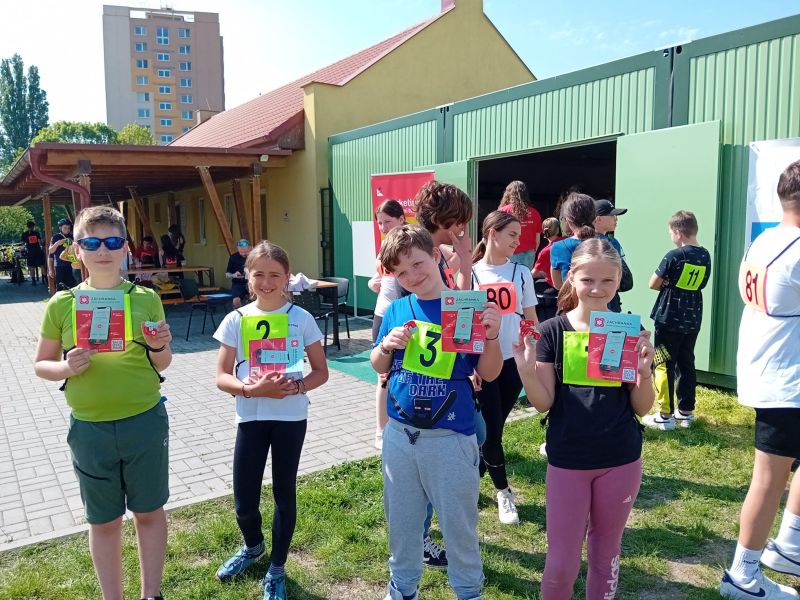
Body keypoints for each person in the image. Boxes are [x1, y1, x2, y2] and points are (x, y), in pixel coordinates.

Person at [33, 206, 173, 600]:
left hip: (144, 420)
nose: (103, 250)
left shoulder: (145, 298)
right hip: (90, 428)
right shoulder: (62, 303)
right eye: (92, 243)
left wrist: (158, 345)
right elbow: (41, 364)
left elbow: (163, 363)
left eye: (112, 242)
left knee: (149, 512)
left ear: (125, 247)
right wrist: (66, 367)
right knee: (104, 521)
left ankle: (152, 594)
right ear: (76, 250)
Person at [514, 237, 655, 600]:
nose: (597, 289)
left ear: (619, 279)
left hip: (620, 458)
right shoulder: (552, 331)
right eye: (588, 279)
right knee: (562, 563)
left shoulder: (626, 330)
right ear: (571, 278)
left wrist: (645, 372)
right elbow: (544, 403)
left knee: (605, 555)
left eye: (607, 280)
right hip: (569, 459)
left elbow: (642, 407)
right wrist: (527, 372)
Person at [372, 224, 502, 600]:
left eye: (417, 264)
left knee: (458, 525)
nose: (413, 276)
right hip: (401, 435)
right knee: (403, 523)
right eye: (401, 272)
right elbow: (378, 364)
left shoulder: (465, 307)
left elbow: (490, 371)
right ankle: (402, 588)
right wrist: (387, 346)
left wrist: (492, 336)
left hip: (450, 437)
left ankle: (468, 591)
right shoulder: (397, 309)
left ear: (435, 256)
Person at [213, 241, 329, 600]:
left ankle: (277, 567)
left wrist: (298, 386)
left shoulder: (301, 318)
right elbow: (221, 376)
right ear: (248, 277)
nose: (266, 282)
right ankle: (253, 547)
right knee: (244, 500)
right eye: (259, 274)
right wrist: (250, 390)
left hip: (290, 418)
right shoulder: (236, 319)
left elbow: (321, 372)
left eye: (274, 275)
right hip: (250, 416)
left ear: (287, 277)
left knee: (283, 493)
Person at [720, 159, 800, 600]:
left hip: (773, 368)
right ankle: (743, 574)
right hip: (786, 378)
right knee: (769, 478)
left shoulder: (766, 238)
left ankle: (789, 545)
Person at [470, 211, 538, 525]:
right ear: (492, 234)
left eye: (518, 235)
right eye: (512, 234)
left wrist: (534, 353)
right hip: (483, 362)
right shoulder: (471, 274)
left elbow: (531, 319)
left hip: (514, 362)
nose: (517, 241)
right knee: (492, 431)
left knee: (493, 429)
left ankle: (473, 476)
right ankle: (503, 492)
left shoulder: (521, 273)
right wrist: (468, 364)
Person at [643, 211, 711, 431]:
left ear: (678, 232)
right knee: (686, 362)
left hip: (669, 317)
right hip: (692, 317)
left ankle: (665, 415)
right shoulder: (705, 255)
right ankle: (686, 412)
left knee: (663, 362)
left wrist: (668, 282)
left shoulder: (674, 255)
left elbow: (653, 283)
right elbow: (702, 284)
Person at [367, 200, 406, 450]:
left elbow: (449, 258)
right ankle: (381, 431)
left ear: (402, 219)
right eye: (380, 223)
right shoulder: (384, 247)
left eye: (387, 222)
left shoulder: (411, 243)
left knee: (403, 374)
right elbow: (380, 278)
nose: (382, 227)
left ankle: (400, 423)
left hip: (406, 315)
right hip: (383, 316)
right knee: (383, 377)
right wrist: (373, 283)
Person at [415, 180, 474, 291]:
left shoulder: (435, 252)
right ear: (440, 221)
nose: (463, 228)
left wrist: (464, 256)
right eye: (461, 222)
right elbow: (457, 301)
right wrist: (465, 259)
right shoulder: (420, 259)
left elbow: (452, 295)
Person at [593, 199, 631, 312]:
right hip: (609, 300)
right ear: (598, 219)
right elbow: (620, 274)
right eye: (612, 215)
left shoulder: (579, 240)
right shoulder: (612, 243)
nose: (616, 219)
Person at [498, 180, 543, 269]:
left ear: (509, 194)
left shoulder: (503, 211)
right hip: (529, 253)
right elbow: (537, 240)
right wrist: (532, 251)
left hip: (508, 251)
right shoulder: (535, 213)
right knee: (524, 276)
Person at [532, 217, 565, 287]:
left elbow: (534, 273)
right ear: (558, 230)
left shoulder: (545, 251)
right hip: (568, 282)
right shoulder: (567, 240)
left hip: (554, 284)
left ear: (544, 231)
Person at [48, 218, 77, 290]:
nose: (67, 230)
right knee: (60, 287)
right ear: (60, 228)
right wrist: (57, 243)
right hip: (59, 265)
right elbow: (50, 252)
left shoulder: (72, 237)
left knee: (71, 286)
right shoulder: (56, 237)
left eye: (69, 228)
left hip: (71, 264)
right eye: (65, 228)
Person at [226, 239, 253, 309]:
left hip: (252, 282)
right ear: (238, 249)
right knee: (236, 301)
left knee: (256, 298)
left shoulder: (254, 256)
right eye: (241, 252)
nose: (243, 254)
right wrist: (233, 275)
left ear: (250, 248)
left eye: (245, 252)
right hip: (238, 283)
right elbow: (227, 274)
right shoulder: (233, 257)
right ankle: (239, 314)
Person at [21, 220, 45, 285]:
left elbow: (22, 244)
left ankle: (33, 281)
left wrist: (23, 249)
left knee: (32, 267)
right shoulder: (36, 233)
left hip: (30, 252)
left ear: (27, 226)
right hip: (38, 251)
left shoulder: (24, 234)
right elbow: (40, 242)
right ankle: (45, 280)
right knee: (42, 266)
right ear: (34, 226)